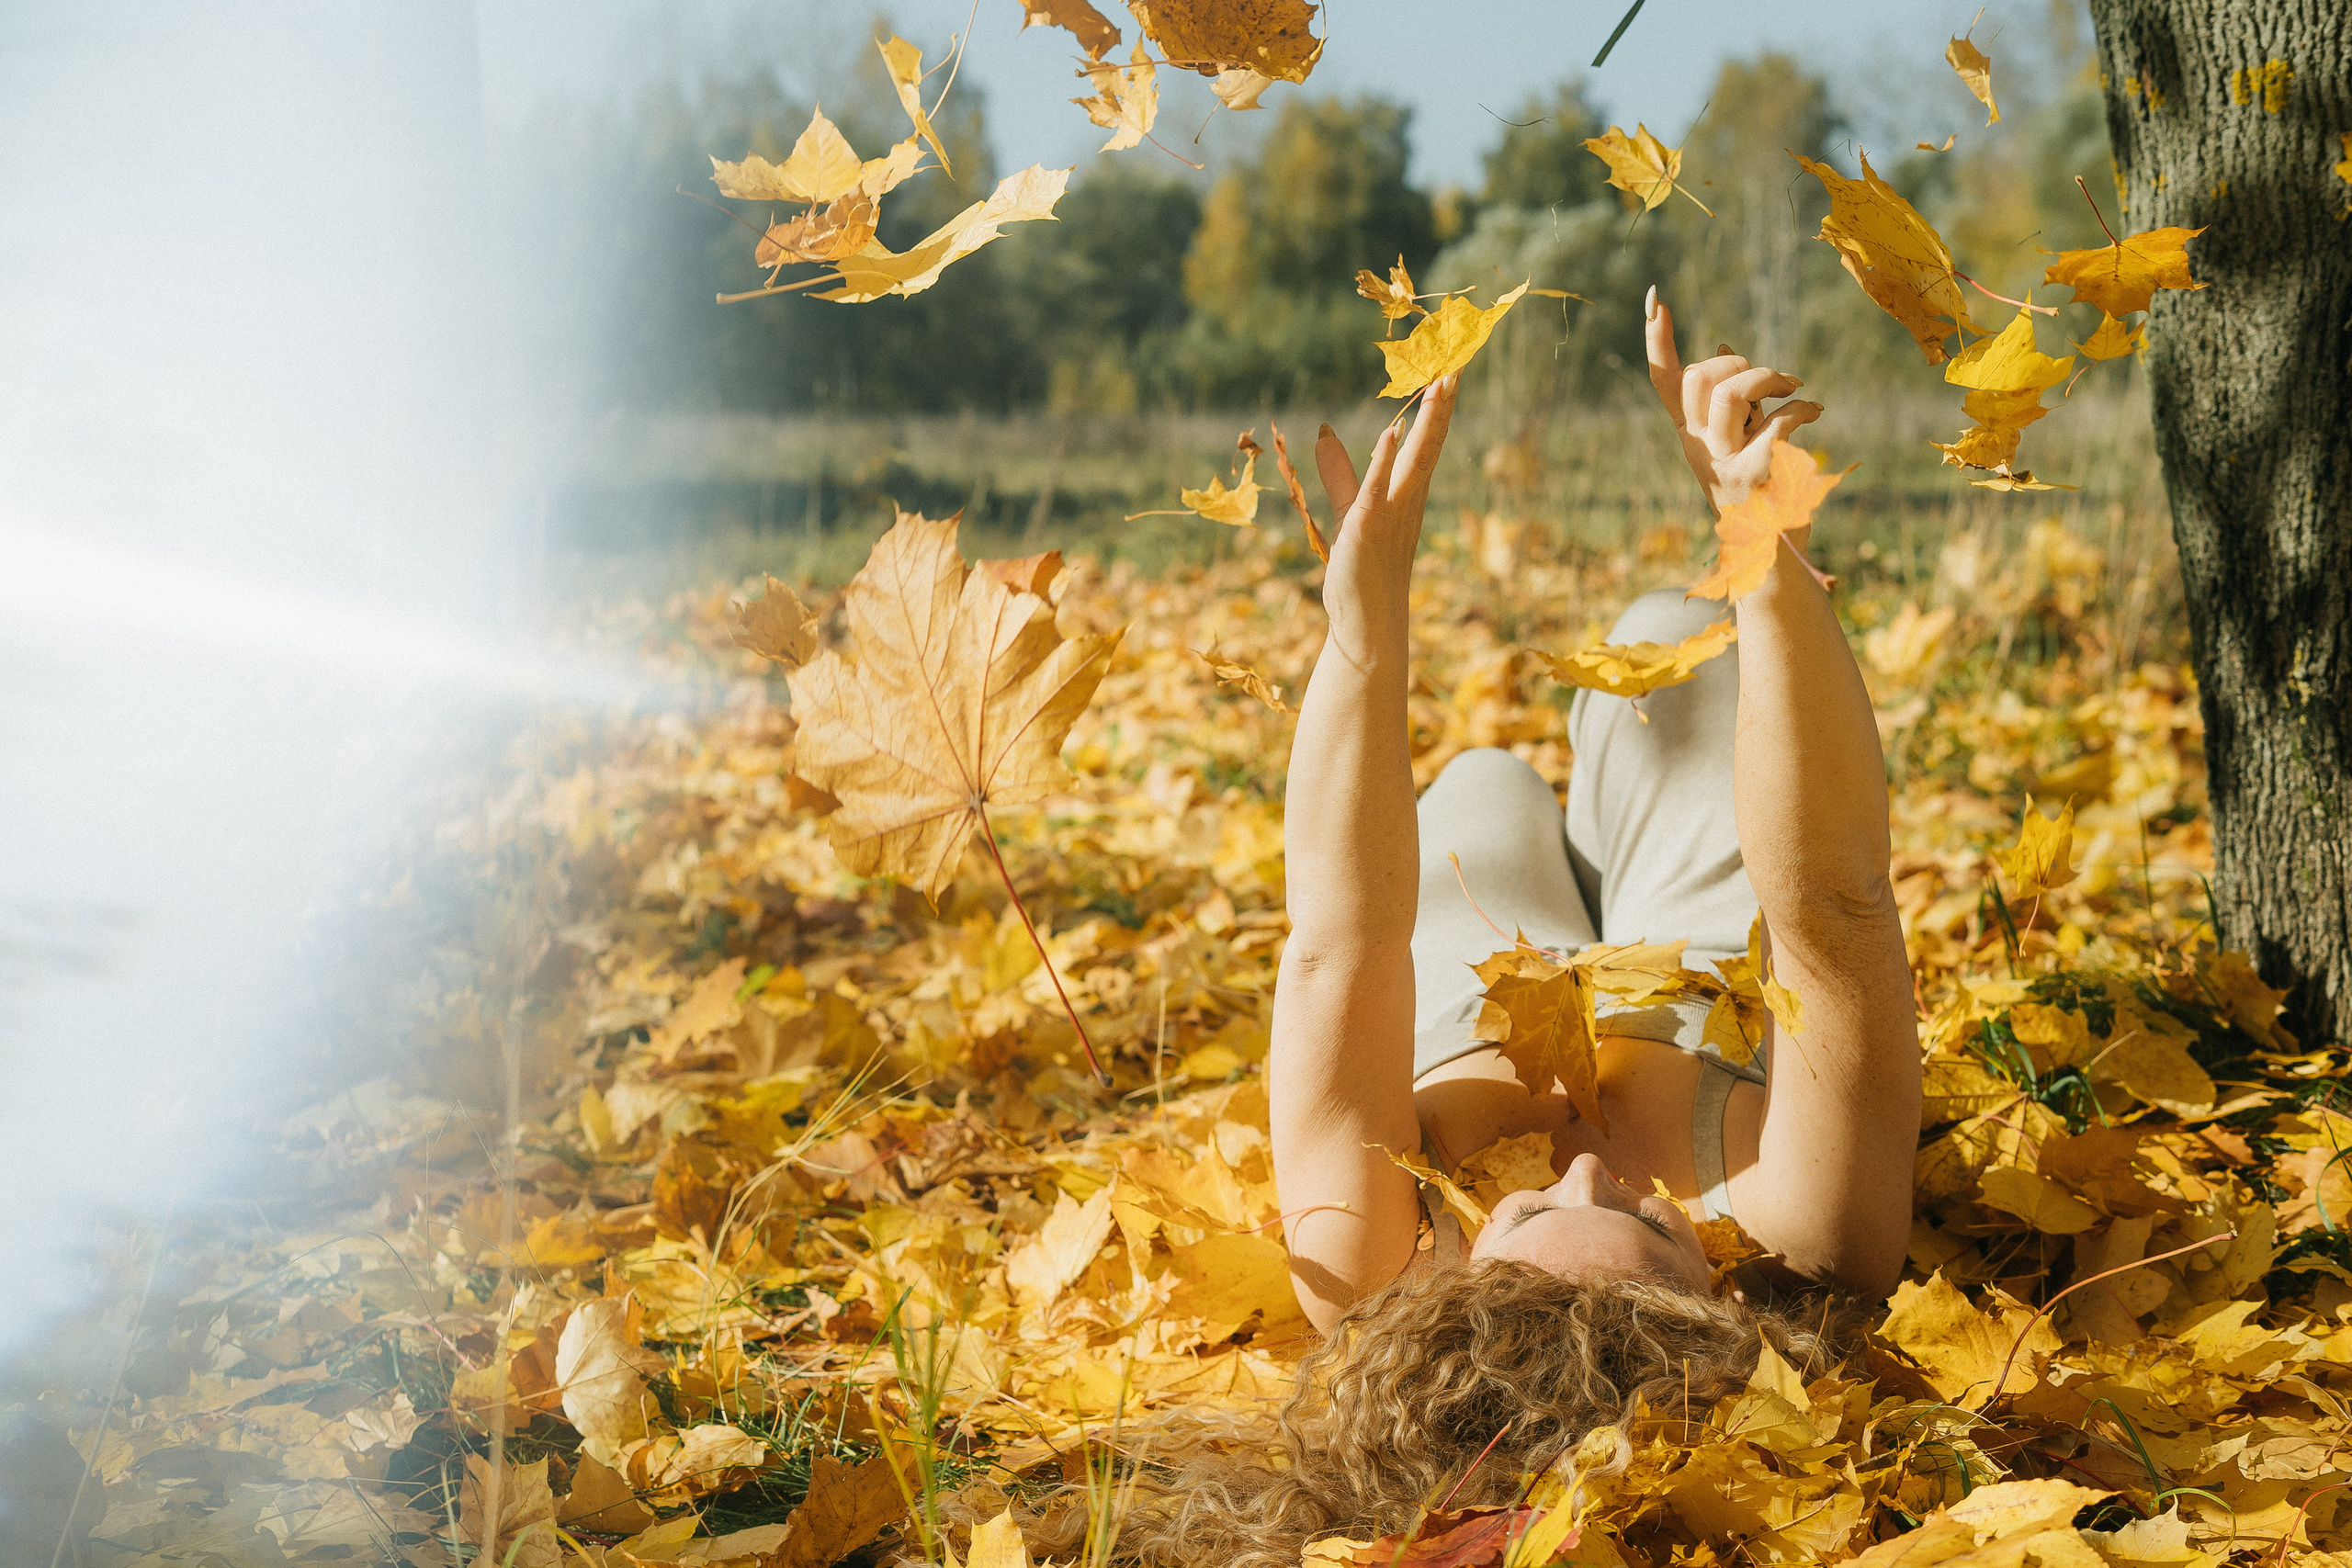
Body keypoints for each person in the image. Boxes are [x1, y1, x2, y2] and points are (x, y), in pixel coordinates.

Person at [1094, 292, 1921, 1565]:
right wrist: (1759, 545)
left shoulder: (1374, 1258)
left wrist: (1363, 631)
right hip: (1696, 968)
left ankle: (1548, 813)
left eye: (1533, 1218)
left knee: (1482, 778)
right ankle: (1623, 799)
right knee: (1664, 634)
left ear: (1451, 1292)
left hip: (1469, 983)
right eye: (1651, 1223)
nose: (1590, 1167)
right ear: (1722, 1315)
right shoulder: (1801, 1234)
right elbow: (1836, 907)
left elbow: (1339, 940)